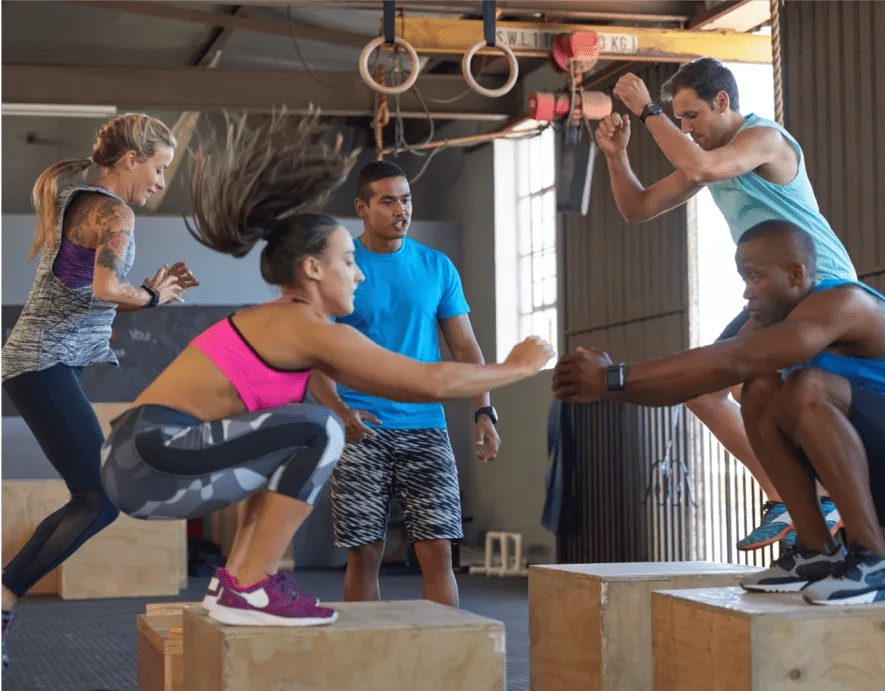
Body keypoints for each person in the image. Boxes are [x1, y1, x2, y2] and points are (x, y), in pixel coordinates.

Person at [99, 111, 554, 627]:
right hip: (151, 458)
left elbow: (434, 373)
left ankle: (239, 581)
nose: (358, 272)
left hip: (141, 459)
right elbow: (433, 379)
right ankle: (249, 586)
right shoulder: (308, 328)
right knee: (318, 428)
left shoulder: (289, 322)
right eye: (346, 262)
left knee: (297, 436)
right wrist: (518, 366)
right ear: (312, 269)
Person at [552, 220, 885, 605]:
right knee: (759, 388)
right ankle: (816, 554)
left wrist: (615, 376)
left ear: (797, 274)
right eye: (743, 277)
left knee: (805, 387)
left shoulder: (845, 305)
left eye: (755, 277)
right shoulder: (768, 320)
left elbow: (734, 358)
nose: (746, 290)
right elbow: (698, 383)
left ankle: (876, 563)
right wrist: (609, 387)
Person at [595, 57, 859, 550]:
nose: (686, 128)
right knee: (705, 392)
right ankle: (789, 497)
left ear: (723, 102)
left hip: (821, 285)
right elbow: (637, 209)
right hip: (774, 296)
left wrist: (646, 108)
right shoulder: (708, 158)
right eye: (678, 119)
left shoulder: (765, 140)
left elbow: (699, 165)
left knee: (748, 390)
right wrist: (616, 158)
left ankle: (818, 495)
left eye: (691, 116)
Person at [0, 113, 199, 671]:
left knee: (90, 495)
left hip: (44, 363)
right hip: (42, 364)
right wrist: (153, 300)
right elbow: (107, 286)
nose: (160, 182)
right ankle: (4, 597)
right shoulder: (114, 210)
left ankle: (3, 596)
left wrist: (143, 293)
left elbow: (86, 288)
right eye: (158, 169)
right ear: (131, 160)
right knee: (101, 498)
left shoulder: (83, 198)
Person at [319, 161, 497, 608]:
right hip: (362, 427)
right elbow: (316, 355)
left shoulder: (437, 267)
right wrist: (342, 413)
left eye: (407, 199)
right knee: (365, 553)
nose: (402, 210)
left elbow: (467, 349)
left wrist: (483, 409)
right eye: (388, 201)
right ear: (362, 208)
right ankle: (367, 663)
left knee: (438, 549)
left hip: (426, 425)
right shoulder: (342, 269)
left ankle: (447, 664)